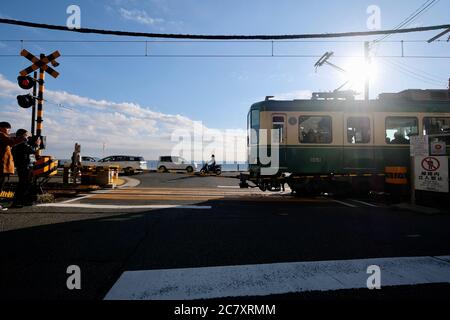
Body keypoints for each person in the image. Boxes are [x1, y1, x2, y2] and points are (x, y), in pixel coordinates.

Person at [11, 129, 40, 208]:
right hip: (24, 166)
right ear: (22, 135)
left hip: (26, 165)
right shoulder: (21, 143)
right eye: (27, 135)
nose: (28, 137)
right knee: (23, 184)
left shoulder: (21, 143)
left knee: (26, 184)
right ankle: (17, 201)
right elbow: (32, 150)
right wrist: (37, 145)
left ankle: (24, 200)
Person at [0, 122, 24, 211]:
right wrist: (23, 137)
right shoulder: (1, 135)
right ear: (2, 128)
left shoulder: (3, 136)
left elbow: (11, 142)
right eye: (7, 128)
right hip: (1, 166)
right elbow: (11, 142)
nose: (9, 130)